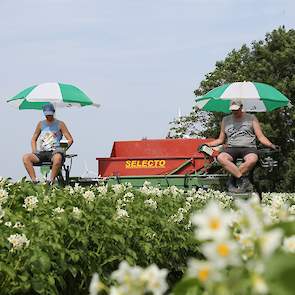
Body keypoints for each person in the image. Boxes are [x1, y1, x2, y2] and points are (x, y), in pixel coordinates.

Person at [206, 99, 277, 193]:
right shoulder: (225, 120)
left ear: (242, 107)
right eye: (232, 110)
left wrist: (271, 145)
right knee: (221, 158)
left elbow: (261, 137)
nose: (234, 111)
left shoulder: (251, 118)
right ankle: (243, 180)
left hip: (248, 147)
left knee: (252, 159)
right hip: (232, 147)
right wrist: (208, 144)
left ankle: (231, 180)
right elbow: (220, 139)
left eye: (236, 109)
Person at [23, 103, 73, 184]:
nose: (48, 116)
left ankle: (51, 180)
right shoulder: (40, 124)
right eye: (46, 115)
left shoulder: (60, 124)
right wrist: (34, 150)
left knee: (57, 158)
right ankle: (34, 180)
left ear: (53, 113)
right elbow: (33, 139)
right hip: (42, 152)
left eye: (50, 114)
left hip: (54, 152)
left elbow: (70, 139)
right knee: (26, 157)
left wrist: (62, 149)